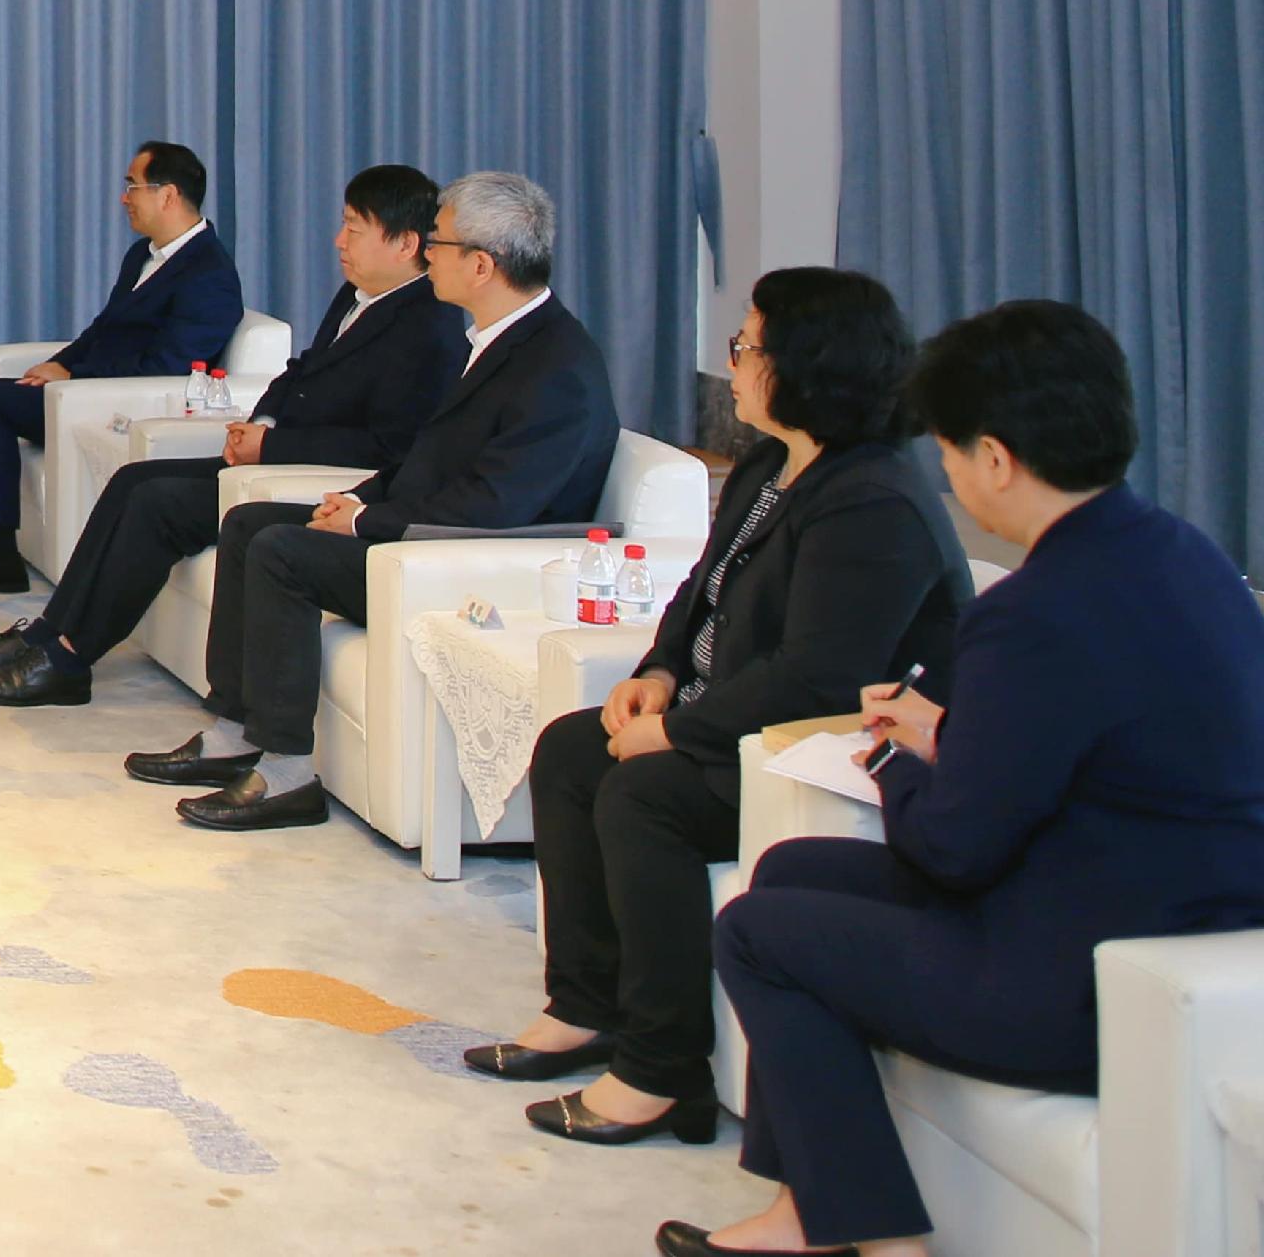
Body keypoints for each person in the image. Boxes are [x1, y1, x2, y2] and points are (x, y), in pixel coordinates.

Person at [668, 301, 1264, 1257]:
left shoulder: (1031, 612)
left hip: (1075, 976)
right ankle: (809, 1212)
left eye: (948, 452)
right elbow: (1102, 745)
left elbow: (951, 846)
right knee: (787, 870)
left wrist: (901, 755)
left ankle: (876, 1237)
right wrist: (959, 732)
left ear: (994, 457)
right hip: (1171, 910)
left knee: (756, 930)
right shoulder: (1187, 558)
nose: (943, 475)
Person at [486, 267, 962, 1149]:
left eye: (747, 345)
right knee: (568, 749)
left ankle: (665, 1070)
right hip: (721, 719)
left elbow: (817, 676)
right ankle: (587, 1003)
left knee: (644, 793)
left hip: (809, 751)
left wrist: (675, 731)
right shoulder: (770, 466)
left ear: (808, 366)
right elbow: (698, 592)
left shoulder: (871, 501)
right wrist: (658, 674)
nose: (733, 364)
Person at [140, 169, 617, 832]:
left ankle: (286, 771)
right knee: (250, 522)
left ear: (480, 265)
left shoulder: (557, 369)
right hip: (416, 530)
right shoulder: (498, 338)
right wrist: (357, 497)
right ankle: (235, 727)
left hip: (466, 566)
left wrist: (369, 521)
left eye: (439, 244)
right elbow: (427, 456)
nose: (428, 256)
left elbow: (494, 506)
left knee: (283, 552)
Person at [0, 164, 458, 707]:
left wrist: (272, 448)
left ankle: (72, 659)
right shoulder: (360, 295)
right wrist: (260, 424)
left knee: (158, 502)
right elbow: (302, 369)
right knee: (132, 479)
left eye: (354, 229)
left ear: (406, 244)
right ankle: (48, 633)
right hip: (273, 456)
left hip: (317, 481)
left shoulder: (428, 328)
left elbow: (389, 449)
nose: (339, 241)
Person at [0, 141, 245, 595]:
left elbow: (168, 367)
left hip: (120, 404)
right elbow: (104, 328)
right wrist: (60, 363)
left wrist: (76, 380)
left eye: (132, 186)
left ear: (167, 195)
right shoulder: (144, 254)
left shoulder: (209, 273)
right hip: (83, 391)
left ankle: (0, 556)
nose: (124, 198)